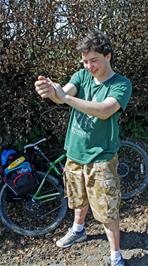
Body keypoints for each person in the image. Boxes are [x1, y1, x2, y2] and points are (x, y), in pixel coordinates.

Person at [34, 29, 132, 266]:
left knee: (107, 210)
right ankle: (79, 230)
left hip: (102, 156)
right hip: (75, 152)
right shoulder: (81, 75)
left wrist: (65, 99)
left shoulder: (121, 84)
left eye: (94, 60)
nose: (89, 66)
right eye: (85, 61)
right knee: (77, 199)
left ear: (108, 56)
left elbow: (105, 110)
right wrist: (52, 90)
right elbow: (63, 93)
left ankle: (115, 255)